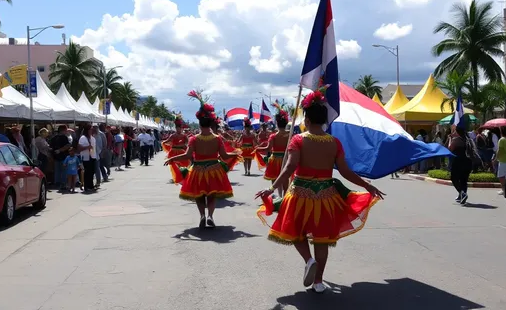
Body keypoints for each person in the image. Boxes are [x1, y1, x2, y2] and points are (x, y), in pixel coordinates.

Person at [255, 85, 385, 293]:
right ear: (324, 121)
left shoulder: (298, 140)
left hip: (300, 193)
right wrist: (367, 185)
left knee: (295, 232)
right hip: (326, 196)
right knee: (321, 239)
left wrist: (272, 189)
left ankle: (308, 260)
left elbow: (289, 168)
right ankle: (318, 281)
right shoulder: (334, 142)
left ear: (306, 120)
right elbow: (345, 171)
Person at [165, 90, 239, 228]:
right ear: (211, 123)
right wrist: (235, 154)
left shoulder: (194, 139)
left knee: (199, 195)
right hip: (214, 169)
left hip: (197, 170)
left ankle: (202, 216)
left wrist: (173, 158)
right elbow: (224, 156)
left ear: (199, 124)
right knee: (211, 195)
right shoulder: (217, 139)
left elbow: (187, 156)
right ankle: (210, 216)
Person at [256, 101, 290, 197]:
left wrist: (258, 148)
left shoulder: (273, 136)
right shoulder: (290, 135)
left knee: (275, 178)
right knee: (285, 178)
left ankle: (279, 195)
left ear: (277, 123)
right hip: (286, 159)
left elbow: (268, 149)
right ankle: (283, 197)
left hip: (275, 159)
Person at [448, 125, 472, 205]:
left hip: (458, 162)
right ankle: (461, 195)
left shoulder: (456, 140)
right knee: (463, 180)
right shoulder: (469, 139)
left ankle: (462, 193)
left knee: (454, 178)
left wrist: (450, 139)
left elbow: (450, 149)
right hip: (468, 162)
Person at [162, 116, 191, 183]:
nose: (179, 130)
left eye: (180, 128)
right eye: (177, 128)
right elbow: (167, 141)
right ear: (176, 128)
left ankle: (182, 175)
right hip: (173, 152)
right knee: (175, 164)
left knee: (183, 164)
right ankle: (176, 176)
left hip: (181, 151)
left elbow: (187, 143)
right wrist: (164, 143)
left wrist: (182, 145)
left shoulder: (184, 136)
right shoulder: (172, 135)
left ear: (181, 128)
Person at [50, 125, 71, 189]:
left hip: (56, 157)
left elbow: (51, 148)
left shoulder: (54, 138)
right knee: (63, 171)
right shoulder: (64, 137)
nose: (66, 131)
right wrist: (60, 150)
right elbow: (67, 145)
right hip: (63, 156)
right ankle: (63, 184)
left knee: (57, 171)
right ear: (62, 130)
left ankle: (57, 183)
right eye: (65, 130)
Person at [78, 124, 96, 192]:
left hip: (92, 156)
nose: (92, 130)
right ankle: (86, 186)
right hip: (86, 157)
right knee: (87, 172)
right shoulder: (83, 138)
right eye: (90, 129)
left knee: (92, 172)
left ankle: (91, 185)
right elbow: (79, 148)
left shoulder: (93, 138)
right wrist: (86, 147)